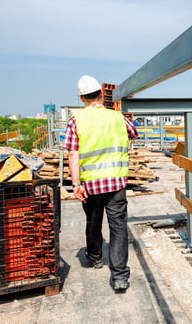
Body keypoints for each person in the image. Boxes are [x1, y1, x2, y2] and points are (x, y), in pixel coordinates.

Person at [64, 75, 137, 292]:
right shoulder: (117, 117)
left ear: (81, 98)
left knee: (93, 222)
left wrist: (75, 183)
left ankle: (95, 257)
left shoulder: (76, 120)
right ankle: (120, 276)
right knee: (118, 226)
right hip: (116, 182)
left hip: (90, 185)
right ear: (101, 94)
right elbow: (133, 133)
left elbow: (72, 153)